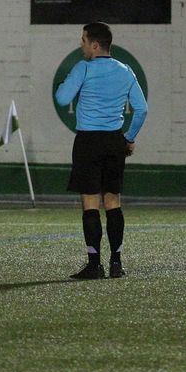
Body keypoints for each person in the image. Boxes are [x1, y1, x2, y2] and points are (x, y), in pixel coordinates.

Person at [55, 21, 147, 280]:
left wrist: (69, 83)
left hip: (88, 142)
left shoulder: (83, 68)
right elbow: (142, 109)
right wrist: (128, 137)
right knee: (114, 202)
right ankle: (116, 262)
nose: (81, 45)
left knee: (90, 203)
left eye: (83, 40)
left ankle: (94, 265)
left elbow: (62, 98)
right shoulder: (126, 70)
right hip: (114, 141)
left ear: (95, 45)